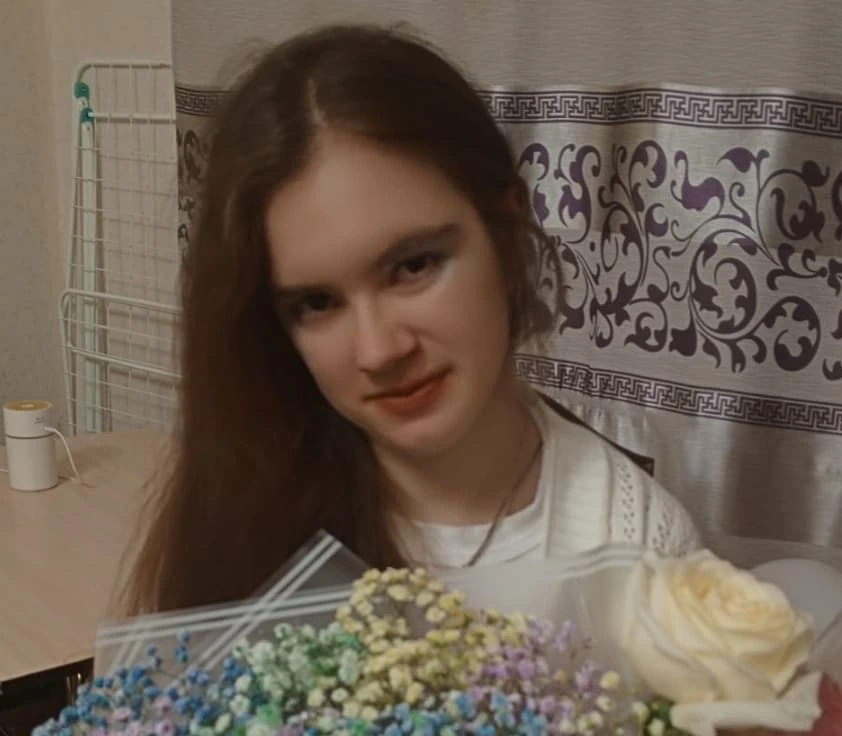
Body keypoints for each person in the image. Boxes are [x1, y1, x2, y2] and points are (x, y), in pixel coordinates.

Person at [124, 23, 700, 615]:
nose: (379, 350)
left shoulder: (636, 543)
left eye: (413, 266)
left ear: (505, 233)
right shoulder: (240, 519)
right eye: (316, 303)